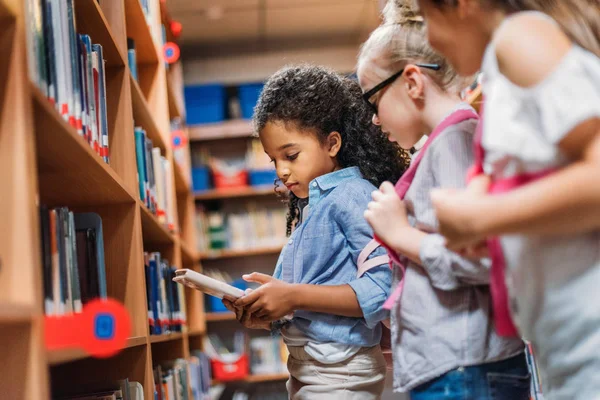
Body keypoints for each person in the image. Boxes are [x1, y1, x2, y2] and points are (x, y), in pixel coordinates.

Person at [415, 0, 600, 397]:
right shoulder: (504, 66)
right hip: (565, 347)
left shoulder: (519, 36)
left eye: (426, 16)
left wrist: (483, 217)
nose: (427, 38)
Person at [355, 2, 529, 399]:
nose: (374, 120)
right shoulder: (444, 143)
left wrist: (399, 233)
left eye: (373, 101)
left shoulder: (454, 141)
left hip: (465, 367)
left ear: (412, 82)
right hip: (457, 366)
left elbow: (481, 258)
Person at [225, 64, 408, 399]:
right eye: (273, 160)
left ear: (332, 143)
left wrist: (293, 296)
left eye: (291, 155)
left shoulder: (352, 195)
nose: (281, 170)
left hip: (340, 372)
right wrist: (267, 313)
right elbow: (313, 303)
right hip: (310, 368)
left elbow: (383, 291)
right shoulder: (314, 206)